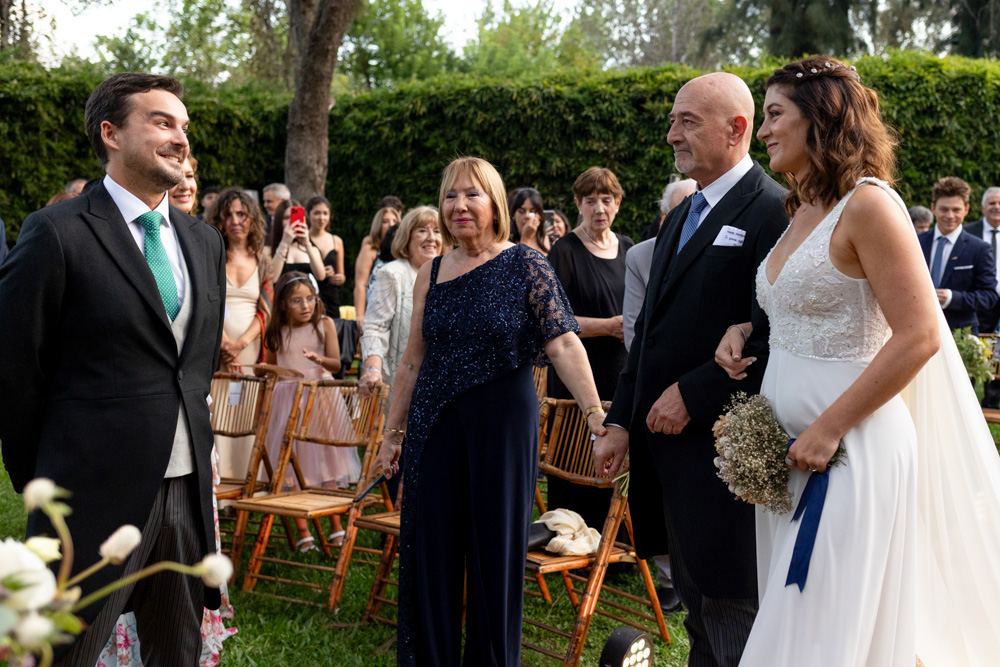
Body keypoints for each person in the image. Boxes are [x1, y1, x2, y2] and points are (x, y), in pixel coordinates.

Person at [716, 55, 1000, 667]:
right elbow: (800, 307)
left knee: (811, 634)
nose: (762, 130)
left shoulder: (870, 205)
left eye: (774, 115)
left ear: (821, 119)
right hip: (787, 453)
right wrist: (744, 329)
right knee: (809, 625)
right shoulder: (801, 210)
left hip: (849, 451)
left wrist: (829, 427)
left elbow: (920, 334)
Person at [0, 73, 225, 666]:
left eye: (183, 125)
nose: (180, 138)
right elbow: (16, 372)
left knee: (177, 655)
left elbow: (192, 369)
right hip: (91, 495)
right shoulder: (56, 232)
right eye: (161, 122)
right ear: (110, 133)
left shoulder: (204, 244)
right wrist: (44, 485)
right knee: (63, 655)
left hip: (186, 494)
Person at [371, 156, 606, 666]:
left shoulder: (526, 263)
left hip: (503, 428)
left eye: (471, 194)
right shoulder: (430, 272)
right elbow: (412, 359)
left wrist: (593, 416)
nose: (458, 205)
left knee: (495, 558)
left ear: (494, 203)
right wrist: (393, 434)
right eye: (450, 195)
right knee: (431, 554)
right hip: (434, 427)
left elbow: (563, 344)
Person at [593, 72, 789, 667]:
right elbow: (647, 333)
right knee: (699, 610)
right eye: (674, 119)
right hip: (665, 452)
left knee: (733, 610)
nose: (671, 133)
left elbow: (774, 332)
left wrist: (694, 394)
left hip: (725, 452)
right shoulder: (683, 212)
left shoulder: (773, 210)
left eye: (687, 121)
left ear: (737, 129)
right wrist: (622, 419)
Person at [545, 166, 633, 548]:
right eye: (591, 200)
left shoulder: (630, 248)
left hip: (620, 371)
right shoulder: (564, 251)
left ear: (618, 203)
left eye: (607, 199)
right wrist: (608, 326)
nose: (600, 207)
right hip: (576, 372)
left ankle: (619, 540)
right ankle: (573, 539)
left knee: (618, 454)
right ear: (578, 204)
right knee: (575, 457)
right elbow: (551, 321)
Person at [262, 272, 357, 551]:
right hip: (289, 402)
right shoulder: (276, 332)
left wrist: (320, 360)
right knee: (295, 463)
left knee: (329, 461)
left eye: (310, 299)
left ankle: (335, 525)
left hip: (321, 400)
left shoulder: (324, 324)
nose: (305, 306)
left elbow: (337, 365)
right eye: (297, 301)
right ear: (282, 304)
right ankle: (304, 531)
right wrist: (267, 374)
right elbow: (271, 367)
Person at [359, 206, 442, 406]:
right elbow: (375, 327)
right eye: (422, 231)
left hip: (441, 385)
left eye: (437, 231)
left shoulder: (450, 275)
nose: (431, 238)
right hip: (402, 386)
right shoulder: (392, 273)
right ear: (407, 237)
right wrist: (372, 369)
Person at [623, 178, 697, 351]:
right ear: (665, 216)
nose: (692, 219)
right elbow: (633, 333)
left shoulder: (719, 249)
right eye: (682, 211)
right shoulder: (639, 256)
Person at [206, 187, 273, 378]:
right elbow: (206, 305)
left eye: (241, 214)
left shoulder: (263, 263)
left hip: (251, 349)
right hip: (215, 350)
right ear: (220, 220)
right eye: (228, 215)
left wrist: (239, 345)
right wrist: (226, 347)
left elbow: (266, 310)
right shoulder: (210, 258)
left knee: (248, 406)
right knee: (217, 407)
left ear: (252, 218)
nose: (235, 221)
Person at [918, 176, 997, 333]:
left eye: (956, 210)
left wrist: (951, 298)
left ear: (966, 210)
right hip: (919, 329)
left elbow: (989, 296)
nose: (950, 215)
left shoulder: (980, 248)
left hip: (960, 334)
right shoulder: (916, 242)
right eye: (944, 209)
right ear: (933, 208)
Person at [353, 206, 401, 329]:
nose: (391, 224)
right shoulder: (370, 250)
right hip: (374, 313)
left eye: (394, 221)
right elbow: (360, 285)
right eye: (385, 221)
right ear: (378, 225)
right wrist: (360, 315)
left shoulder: (403, 251)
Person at [509, 187, 550, 254]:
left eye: (532, 212)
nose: (527, 216)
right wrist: (525, 239)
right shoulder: (506, 242)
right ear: (514, 215)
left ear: (540, 215)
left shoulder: (547, 240)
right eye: (521, 211)